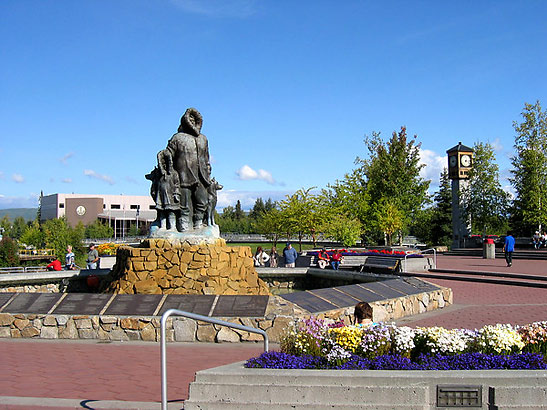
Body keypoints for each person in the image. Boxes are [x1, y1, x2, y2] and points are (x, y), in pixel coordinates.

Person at [166, 108, 211, 231]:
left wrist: (207, 169)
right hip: (183, 174)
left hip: (202, 175)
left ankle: (198, 221)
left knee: (202, 200)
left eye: (194, 119)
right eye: (189, 119)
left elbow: (206, 157)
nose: (191, 122)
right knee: (184, 202)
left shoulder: (203, 139)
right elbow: (168, 155)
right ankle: (184, 222)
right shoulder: (177, 138)